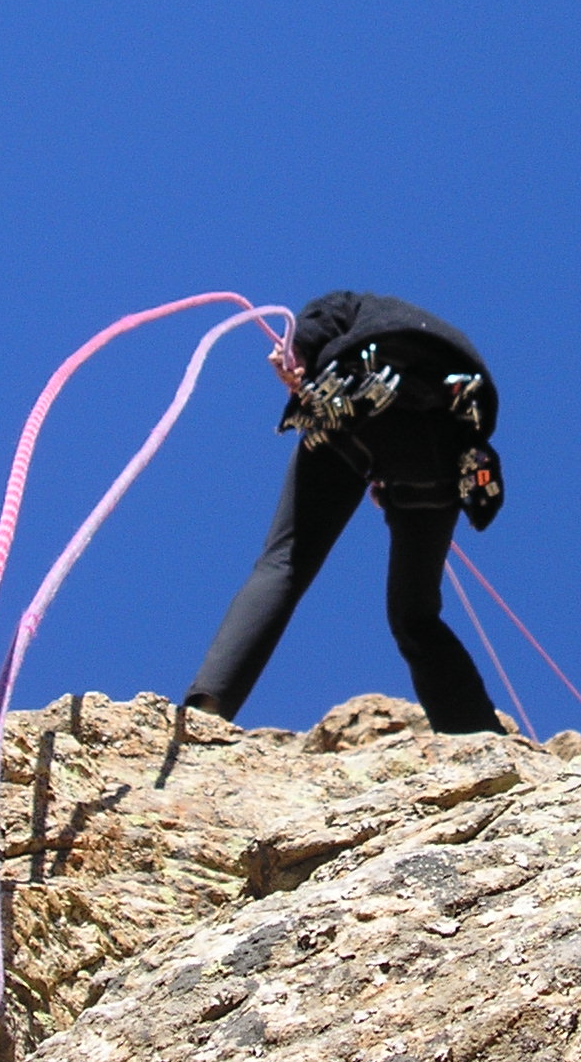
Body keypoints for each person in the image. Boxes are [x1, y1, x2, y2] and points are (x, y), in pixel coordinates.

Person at [183, 291, 509, 734]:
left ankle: (208, 708)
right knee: (416, 614)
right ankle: (476, 734)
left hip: (357, 401)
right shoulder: (436, 336)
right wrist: (394, 480)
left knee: (286, 561)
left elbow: (318, 322)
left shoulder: (353, 305)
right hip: (449, 443)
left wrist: (296, 353)